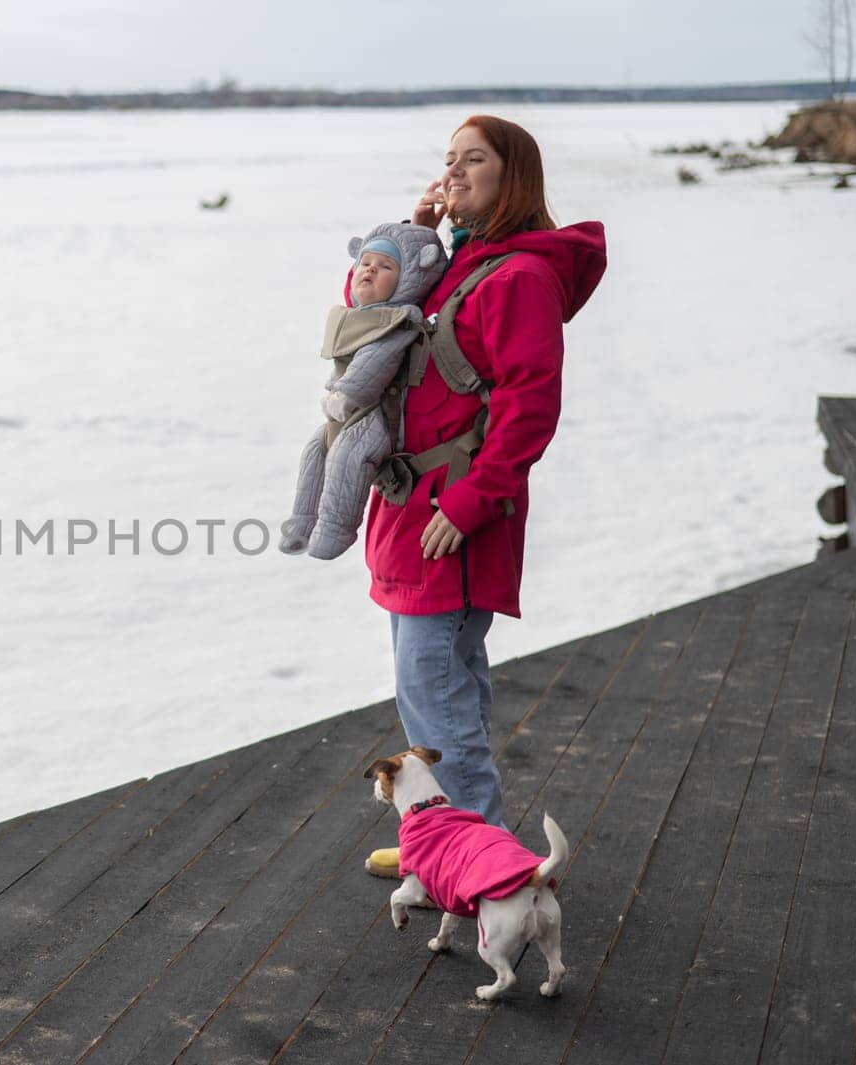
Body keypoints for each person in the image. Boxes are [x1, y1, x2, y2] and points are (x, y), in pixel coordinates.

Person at [364, 115, 607, 878]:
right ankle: (448, 850)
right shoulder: (460, 262)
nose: (456, 171)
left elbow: (530, 407)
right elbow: (365, 319)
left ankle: (483, 869)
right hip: (416, 515)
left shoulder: (520, 277)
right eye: (450, 160)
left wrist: (470, 504)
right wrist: (414, 230)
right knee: (442, 692)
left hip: (451, 521)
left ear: (515, 179)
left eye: (474, 160)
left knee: (436, 705)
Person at [280, 222, 448, 560]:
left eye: (386, 266)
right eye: (365, 262)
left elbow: (376, 361)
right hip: (342, 411)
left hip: (376, 414)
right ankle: (302, 522)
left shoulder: (399, 319)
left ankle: (334, 531)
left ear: (410, 279)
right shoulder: (361, 316)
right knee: (316, 451)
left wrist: (346, 394)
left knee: (349, 456)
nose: (370, 269)